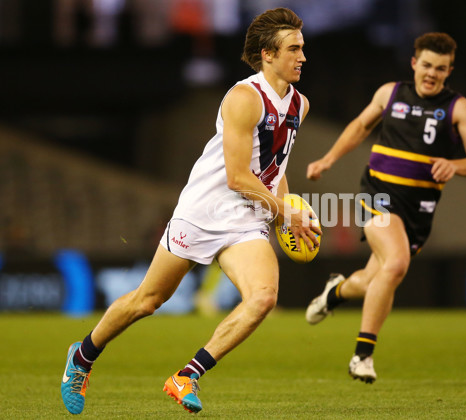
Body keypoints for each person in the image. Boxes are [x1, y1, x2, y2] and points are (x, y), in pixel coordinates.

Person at [61, 7, 320, 415]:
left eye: (302, 48)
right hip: (205, 209)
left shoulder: (300, 105)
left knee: (263, 297)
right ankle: (83, 357)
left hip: (246, 217)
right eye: (294, 49)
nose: (302, 57)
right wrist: (286, 214)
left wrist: (280, 210)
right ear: (268, 54)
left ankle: (187, 376)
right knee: (148, 300)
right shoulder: (243, 98)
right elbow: (236, 177)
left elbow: (275, 167)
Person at [304, 32, 466, 383]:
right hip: (377, 195)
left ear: (449, 70)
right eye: (427, 65)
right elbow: (360, 126)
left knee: (373, 280)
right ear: (414, 63)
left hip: (418, 210)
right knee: (397, 264)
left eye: (440, 68)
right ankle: (362, 355)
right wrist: (327, 159)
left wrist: (457, 165)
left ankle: (336, 292)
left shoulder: (459, 108)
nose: (432, 73)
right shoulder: (390, 94)